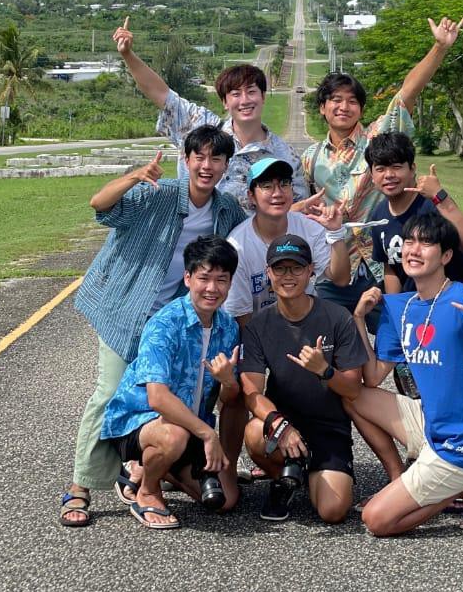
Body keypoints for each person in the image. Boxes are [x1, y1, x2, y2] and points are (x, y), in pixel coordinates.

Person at [59, 125, 244, 527]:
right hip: (128, 307)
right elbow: (100, 207)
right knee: (110, 391)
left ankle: (152, 465)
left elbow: (249, 232)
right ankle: (81, 486)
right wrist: (132, 177)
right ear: (187, 158)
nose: (207, 166)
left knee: (181, 391)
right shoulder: (156, 194)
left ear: (226, 165)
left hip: (178, 316)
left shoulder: (226, 209)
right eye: (200, 156)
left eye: (216, 158)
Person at [348, 212, 463, 538]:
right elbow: (371, 378)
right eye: (410, 241)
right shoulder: (400, 307)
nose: (415, 249)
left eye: (427, 243)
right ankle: (416, 481)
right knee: (354, 396)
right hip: (432, 427)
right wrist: (358, 319)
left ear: (446, 256)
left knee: (376, 520)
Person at [301, 15, 463, 316]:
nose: (343, 107)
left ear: (361, 108)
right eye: (335, 100)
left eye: (352, 101)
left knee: (402, 343)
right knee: (333, 350)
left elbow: (407, 93)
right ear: (322, 108)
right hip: (336, 266)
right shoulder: (310, 157)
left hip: (386, 265)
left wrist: (439, 48)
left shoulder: (378, 137)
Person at [101, 235, 242, 529]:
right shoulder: (165, 324)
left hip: (192, 425)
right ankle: (148, 491)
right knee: (173, 436)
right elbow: (157, 398)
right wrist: (207, 435)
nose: (212, 288)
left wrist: (228, 381)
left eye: (221, 280)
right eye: (204, 278)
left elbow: (230, 398)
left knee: (225, 501)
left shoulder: (228, 328)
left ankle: (160, 467)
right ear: (188, 278)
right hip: (140, 421)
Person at [240, 235, 369, 524]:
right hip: (285, 421)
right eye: (280, 269)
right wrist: (279, 424)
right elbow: (251, 392)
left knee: (332, 511)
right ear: (268, 272)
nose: (288, 276)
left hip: (328, 427)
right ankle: (282, 480)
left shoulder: (338, 317)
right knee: (253, 431)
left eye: (296, 268)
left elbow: (352, 389)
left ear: (311, 270)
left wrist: (325, 370)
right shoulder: (258, 325)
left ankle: (311, 471)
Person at [113, 15, 306, 205]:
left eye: (251, 92)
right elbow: (161, 94)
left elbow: (297, 204)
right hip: (192, 233)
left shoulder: (284, 155)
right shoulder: (199, 125)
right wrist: (128, 55)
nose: (245, 100)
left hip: (251, 236)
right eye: (235, 94)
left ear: (263, 97)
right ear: (224, 102)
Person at [224, 157, 351, 323]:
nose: (277, 193)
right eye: (267, 186)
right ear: (251, 196)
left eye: (284, 184)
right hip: (259, 330)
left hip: (307, 323)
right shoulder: (237, 246)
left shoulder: (310, 228)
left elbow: (340, 279)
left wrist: (335, 233)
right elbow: (240, 314)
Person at [366, 132, 463, 297]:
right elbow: (391, 268)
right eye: (380, 169)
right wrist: (394, 308)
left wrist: (439, 195)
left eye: (396, 167)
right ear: (372, 175)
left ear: (412, 169)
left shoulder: (434, 205)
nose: (389, 175)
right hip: (419, 307)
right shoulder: (379, 216)